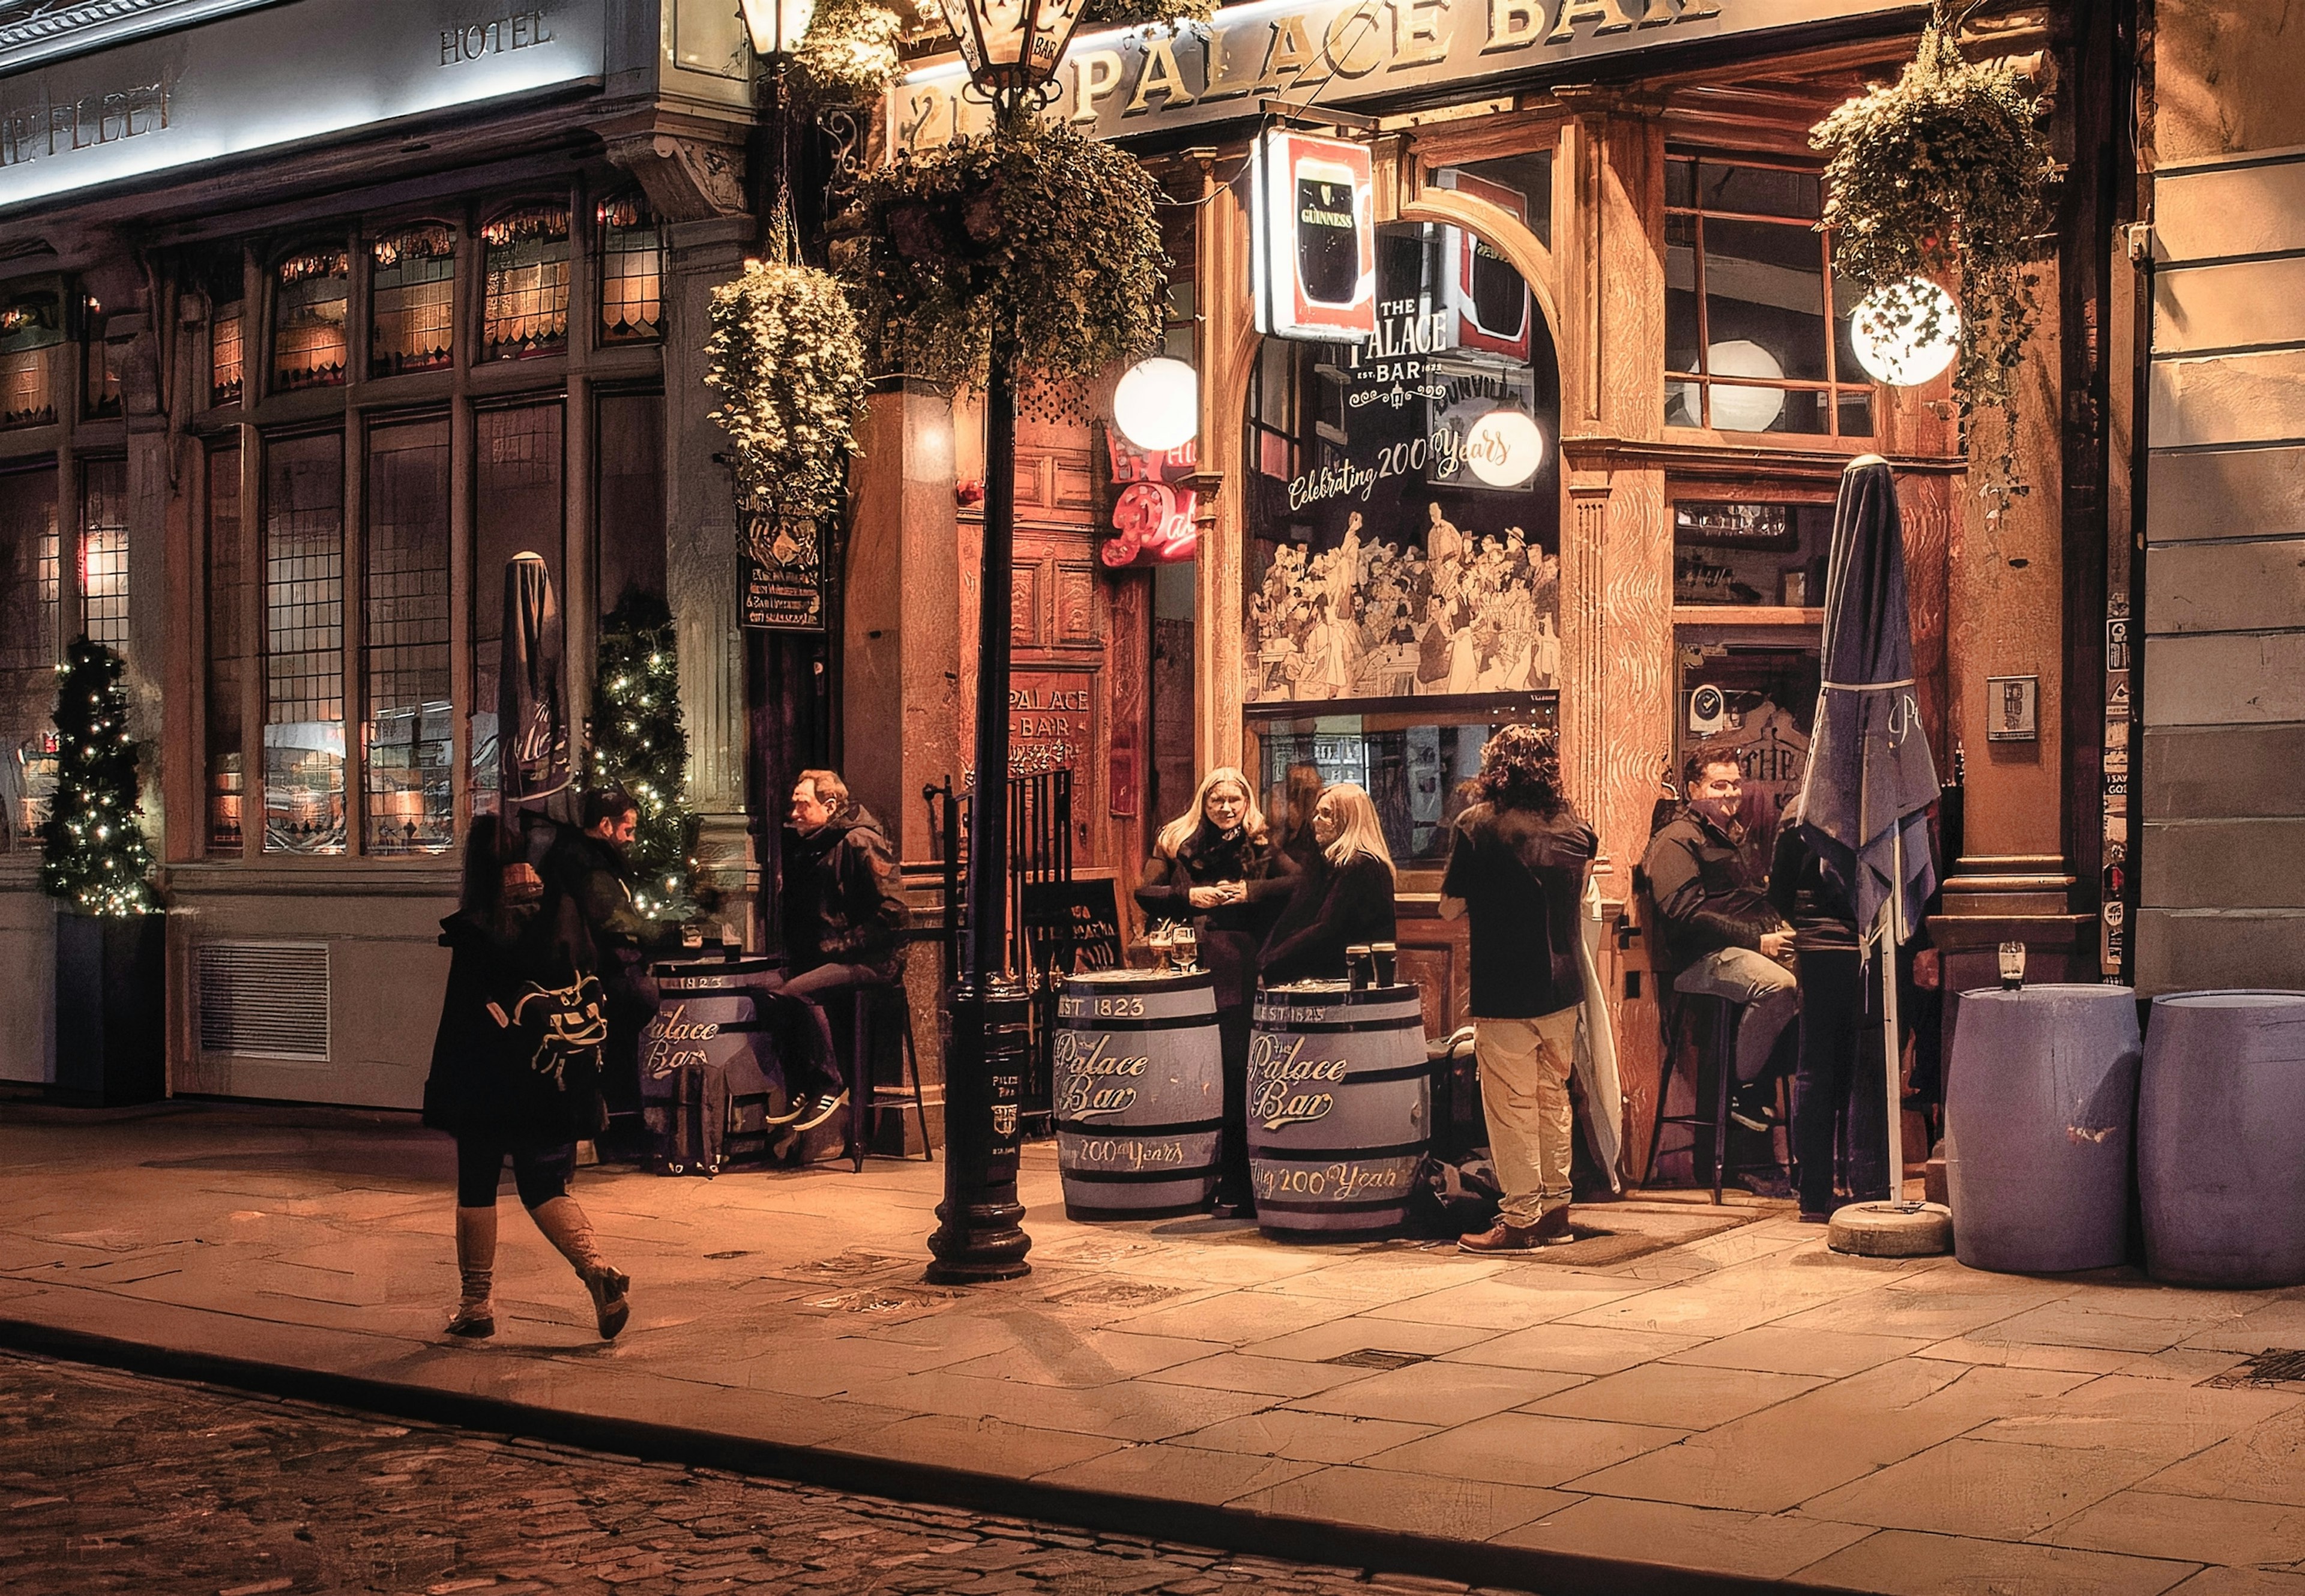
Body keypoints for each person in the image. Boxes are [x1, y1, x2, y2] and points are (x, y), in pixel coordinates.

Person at [423, 812, 632, 1343]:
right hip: (551, 1073)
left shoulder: (478, 924)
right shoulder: (558, 906)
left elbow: (464, 1017)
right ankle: (597, 1271)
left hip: (488, 1082)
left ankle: (477, 1304)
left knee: (477, 1184)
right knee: (545, 1185)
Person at [1439, 725, 1597, 1251]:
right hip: (1563, 984)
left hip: (1505, 984)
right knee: (1554, 1098)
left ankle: (1521, 1218)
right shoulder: (1577, 827)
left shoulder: (1477, 825)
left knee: (1509, 1105)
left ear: (1495, 766)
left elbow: (1450, 906)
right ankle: (1557, 1211)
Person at [1136, 767, 1297, 1214]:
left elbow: (1297, 882)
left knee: (1233, 1064)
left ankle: (1237, 1180)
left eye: (1235, 800)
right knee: (1186, 1064)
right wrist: (1189, 898)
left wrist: (1249, 891)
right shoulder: (1177, 837)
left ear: (1247, 803)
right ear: (1203, 802)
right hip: (1189, 958)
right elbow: (1143, 890)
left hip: (1238, 963)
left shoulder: (1259, 840)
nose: (1226, 808)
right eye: (1217, 801)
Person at [1643, 750, 1798, 1137]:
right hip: (1699, 958)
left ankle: (1763, 1084)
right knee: (1780, 985)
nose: (1730, 794)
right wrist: (1757, 939)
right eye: (1718, 785)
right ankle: (1744, 1090)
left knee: (1824, 975)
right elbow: (1684, 914)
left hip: (1742, 949)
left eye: (1735, 785)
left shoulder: (1733, 836)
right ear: (1693, 789)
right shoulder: (1675, 838)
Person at [762, 769, 906, 1134]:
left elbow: (894, 913)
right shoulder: (815, 844)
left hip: (871, 962)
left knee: (794, 994)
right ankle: (807, 1083)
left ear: (829, 805)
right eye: (793, 804)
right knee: (774, 996)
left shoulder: (860, 842)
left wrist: (842, 945)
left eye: (802, 805)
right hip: (833, 958)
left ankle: (830, 1081)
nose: (793, 813)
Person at [1770, 800, 1889, 1221]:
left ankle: (1814, 1194)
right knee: (1867, 1064)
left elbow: (1779, 891)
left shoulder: (1798, 811)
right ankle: (1867, 1182)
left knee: (1816, 1067)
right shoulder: (1879, 800)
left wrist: (1808, 927)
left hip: (1818, 947)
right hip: (1873, 944)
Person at [567, 789, 657, 1130]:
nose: (632, 838)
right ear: (606, 825)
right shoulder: (593, 869)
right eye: (628, 830)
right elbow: (615, 922)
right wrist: (660, 934)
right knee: (615, 1048)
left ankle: (619, 1119)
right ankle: (619, 1122)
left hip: (603, 971)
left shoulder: (596, 862)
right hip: (601, 975)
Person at [1261, 782, 1397, 985]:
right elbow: (1298, 913)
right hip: (1323, 975)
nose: (1316, 820)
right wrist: (1266, 957)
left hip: (1348, 979)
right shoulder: (1325, 862)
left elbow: (1328, 927)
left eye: (1326, 813)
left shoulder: (1362, 865)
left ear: (1348, 819)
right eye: (1316, 813)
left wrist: (1273, 961)